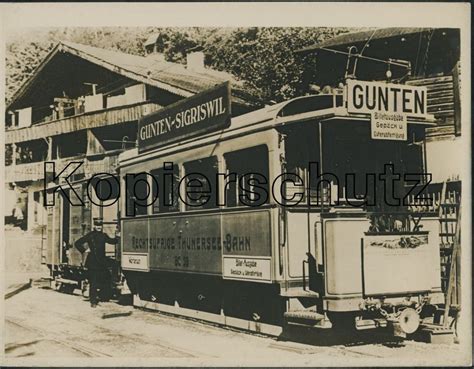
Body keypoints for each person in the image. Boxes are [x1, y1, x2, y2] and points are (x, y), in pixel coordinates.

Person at [75, 218, 119, 308]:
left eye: (100, 226)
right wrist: (84, 250)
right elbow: (77, 243)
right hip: (93, 262)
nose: (99, 227)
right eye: (97, 226)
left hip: (101, 262)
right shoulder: (90, 235)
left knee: (106, 277)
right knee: (94, 282)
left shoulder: (103, 235)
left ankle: (104, 295)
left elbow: (112, 241)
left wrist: (118, 236)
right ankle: (93, 301)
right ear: (94, 226)